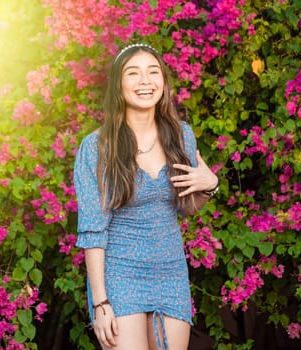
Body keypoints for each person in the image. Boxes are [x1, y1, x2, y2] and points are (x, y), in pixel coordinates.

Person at [73, 43, 219, 350]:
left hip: (170, 271)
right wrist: (101, 303)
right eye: (133, 73)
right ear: (118, 84)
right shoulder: (96, 147)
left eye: (153, 72)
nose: (145, 81)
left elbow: (187, 206)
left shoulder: (182, 135)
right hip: (120, 273)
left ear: (163, 83)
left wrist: (210, 185)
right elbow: (92, 230)